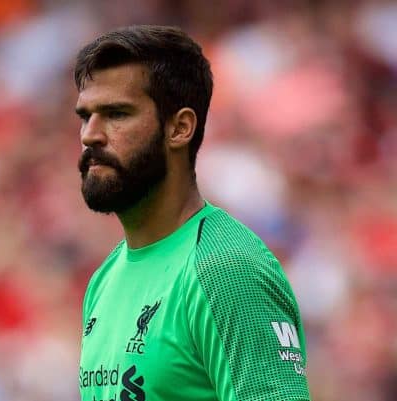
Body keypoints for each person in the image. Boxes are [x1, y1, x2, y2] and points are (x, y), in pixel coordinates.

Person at [74, 25, 310, 401]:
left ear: (180, 128)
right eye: (85, 116)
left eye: (116, 114)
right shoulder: (104, 279)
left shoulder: (227, 270)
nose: (90, 134)